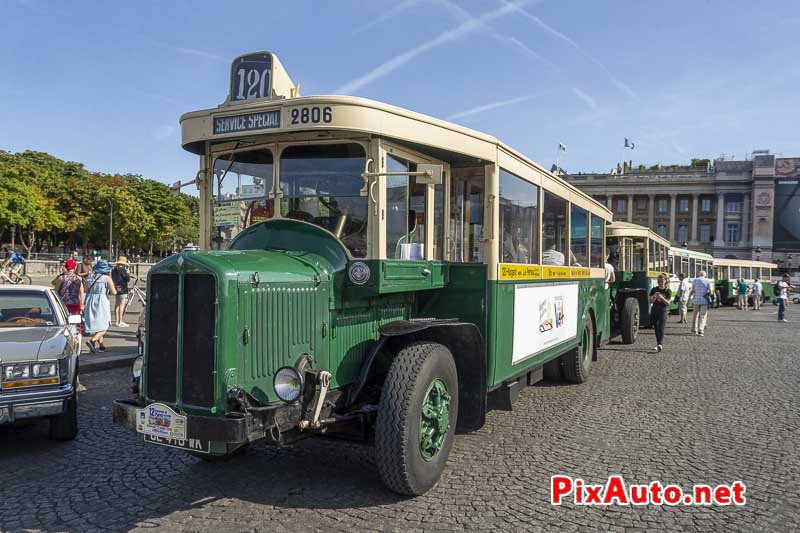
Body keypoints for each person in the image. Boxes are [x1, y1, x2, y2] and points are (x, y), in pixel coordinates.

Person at [83, 260, 117, 353]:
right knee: (105, 325)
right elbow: (113, 292)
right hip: (101, 301)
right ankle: (92, 340)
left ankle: (101, 346)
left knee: (97, 323)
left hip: (90, 299)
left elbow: (86, 289)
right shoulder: (106, 278)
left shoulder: (89, 277)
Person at [53, 259, 84, 331]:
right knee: (75, 321)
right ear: (75, 267)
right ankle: (75, 334)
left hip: (63, 303)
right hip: (75, 303)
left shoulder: (61, 278)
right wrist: (82, 304)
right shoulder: (79, 278)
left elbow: (56, 291)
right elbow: (81, 292)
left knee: (64, 321)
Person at [649, 274, 671, 352]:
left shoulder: (667, 291)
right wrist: (654, 297)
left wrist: (662, 298)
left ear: (665, 281)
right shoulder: (653, 290)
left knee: (661, 327)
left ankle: (659, 344)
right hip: (655, 309)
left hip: (663, 310)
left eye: (662, 281)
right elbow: (650, 301)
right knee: (656, 327)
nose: (660, 282)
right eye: (659, 281)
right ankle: (658, 343)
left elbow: (668, 303)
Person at [689, 270, 713, 336]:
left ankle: (694, 329)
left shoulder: (695, 280)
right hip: (704, 300)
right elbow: (710, 292)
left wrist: (689, 298)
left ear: (699, 274)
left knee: (695, 315)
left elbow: (692, 290)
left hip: (696, 300)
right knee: (703, 316)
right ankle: (701, 330)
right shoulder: (707, 281)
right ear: (705, 275)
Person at [111, 256, 131, 327]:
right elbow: (127, 279)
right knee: (122, 305)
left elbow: (113, 278)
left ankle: (116, 321)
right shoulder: (123, 270)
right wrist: (128, 273)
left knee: (117, 305)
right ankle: (120, 321)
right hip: (123, 287)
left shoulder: (114, 270)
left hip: (116, 287)